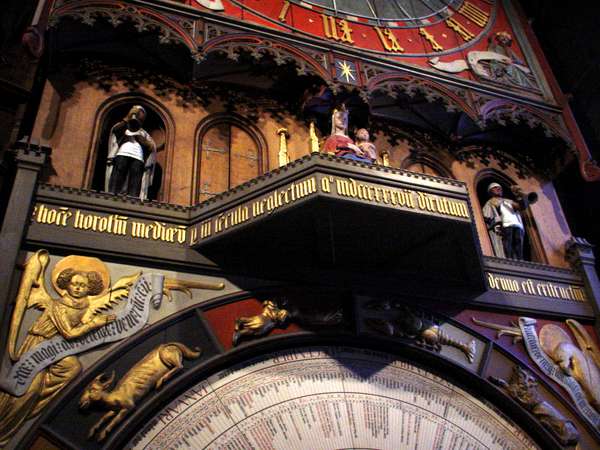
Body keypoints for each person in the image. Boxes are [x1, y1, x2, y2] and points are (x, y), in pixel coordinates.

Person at [0, 252, 116, 446]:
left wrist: (97, 322)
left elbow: (80, 326)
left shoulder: (83, 306)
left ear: (90, 289)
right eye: (74, 284)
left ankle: (37, 402)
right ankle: (4, 428)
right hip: (40, 346)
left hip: (58, 350)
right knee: (27, 389)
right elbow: (69, 333)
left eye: (83, 285)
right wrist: (95, 324)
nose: (78, 288)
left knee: (73, 368)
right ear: (65, 284)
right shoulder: (58, 305)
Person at [105, 105, 157, 200]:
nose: (139, 114)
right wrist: (128, 118)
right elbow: (116, 131)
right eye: (137, 112)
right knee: (118, 173)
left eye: (141, 113)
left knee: (135, 177)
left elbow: (151, 147)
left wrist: (138, 136)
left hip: (138, 157)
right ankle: (112, 195)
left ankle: (133, 198)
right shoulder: (125, 126)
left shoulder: (144, 133)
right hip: (123, 153)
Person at [482, 182, 527, 259]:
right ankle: (508, 259)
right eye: (495, 188)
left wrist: (520, 194)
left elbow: (521, 206)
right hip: (504, 225)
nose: (498, 189)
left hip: (515, 224)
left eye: (499, 188)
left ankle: (520, 259)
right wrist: (497, 220)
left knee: (518, 240)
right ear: (490, 191)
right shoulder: (490, 202)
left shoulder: (509, 201)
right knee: (507, 241)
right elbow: (486, 216)